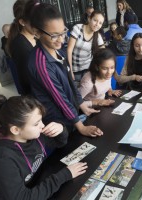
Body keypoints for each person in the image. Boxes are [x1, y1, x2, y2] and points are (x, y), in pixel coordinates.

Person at [0, 95, 87, 200]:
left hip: (39, 184)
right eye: (36, 123)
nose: (42, 125)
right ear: (15, 130)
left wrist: (60, 129)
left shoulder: (32, 135)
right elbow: (23, 198)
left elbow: (59, 143)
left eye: (41, 120)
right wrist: (65, 175)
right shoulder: (2, 160)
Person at [27, 2, 103, 137]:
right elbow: (59, 97)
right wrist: (80, 126)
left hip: (70, 115)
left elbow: (70, 83)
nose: (61, 40)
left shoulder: (59, 52)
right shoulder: (41, 64)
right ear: (37, 32)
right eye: (54, 35)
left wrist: (81, 103)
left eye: (63, 33)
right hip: (57, 122)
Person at [7, 0, 36, 95]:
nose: (40, 22)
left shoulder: (36, 37)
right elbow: (28, 79)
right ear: (22, 22)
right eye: (35, 19)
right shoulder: (20, 46)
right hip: (35, 94)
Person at [67, 10, 105, 82]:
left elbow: (104, 53)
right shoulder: (78, 28)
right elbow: (69, 50)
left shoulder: (97, 36)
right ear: (89, 18)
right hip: (74, 69)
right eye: (95, 20)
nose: (97, 24)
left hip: (88, 70)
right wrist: (70, 70)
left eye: (100, 23)